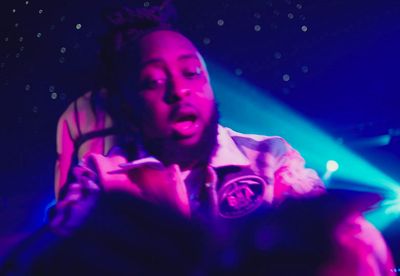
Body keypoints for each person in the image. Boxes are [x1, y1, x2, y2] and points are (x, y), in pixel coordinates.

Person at [48, 3, 394, 275]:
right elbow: (55, 253)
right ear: (128, 105)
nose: (179, 90)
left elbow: (347, 237)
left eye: (191, 72)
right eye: (153, 81)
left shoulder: (270, 157)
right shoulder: (100, 177)